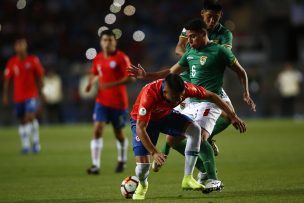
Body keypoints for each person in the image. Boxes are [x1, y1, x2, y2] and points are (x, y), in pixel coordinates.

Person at [129, 19, 255, 192]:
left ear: (204, 34)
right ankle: (201, 167)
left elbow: (237, 73)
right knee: (173, 140)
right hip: (191, 99)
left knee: (200, 137)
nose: (189, 41)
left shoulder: (220, 51)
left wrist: (243, 97)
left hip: (208, 99)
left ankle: (212, 178)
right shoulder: (189, 53)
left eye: (193, 36)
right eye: (188, 37)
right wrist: (147, 75)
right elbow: (170, 72)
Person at [130, 74, 246, 200]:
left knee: (195, 129)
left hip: (165, 116)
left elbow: (212, 96)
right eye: (176, 97)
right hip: (143, 123)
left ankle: (188, 178)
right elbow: (140, 128)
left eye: (182, 95)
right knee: (142, 168)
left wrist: (232, 115)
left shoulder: (186, 88)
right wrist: (154, 152)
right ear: (165, 92)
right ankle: (142, 184)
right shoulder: (149, 95)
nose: (180, 99)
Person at [171, 0, 234, 158]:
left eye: (216, 18)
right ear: (202, 13)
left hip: (210, 80)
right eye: (209, 17)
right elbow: (179, 47)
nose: (212, 21)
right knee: (177, 116)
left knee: (229, 116)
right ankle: (164, 153)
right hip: (190, 76)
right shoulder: (191, 28)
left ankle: (206, 138)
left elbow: (222, 56)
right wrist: (190, 58)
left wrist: (203, 57)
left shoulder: (225, 33)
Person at [85, 30, 135, 174]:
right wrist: (90, 82)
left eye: (110, 40)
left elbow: (131, 78)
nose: (107, 43)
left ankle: (122, 160)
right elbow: (95, 73)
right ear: (101, 42)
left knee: (118, 133)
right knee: (97, 129)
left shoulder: (122, 58)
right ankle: (95, 165)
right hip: (101, 101)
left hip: (118, 103)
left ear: (115, 42)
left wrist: (110, 84)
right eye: (105, 40)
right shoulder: (98, 58)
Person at [3, 38, 44, 154]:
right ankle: (25, 145)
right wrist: (5, 95)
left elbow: (39, 76)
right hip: (18, 97)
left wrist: (42, 91)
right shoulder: (12, 62)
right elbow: (7, 79)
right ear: (15, 48)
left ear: (25, 46)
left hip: (31, 94)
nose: (20, 47)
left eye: (22, 45)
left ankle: (36, 142)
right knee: (22, 121)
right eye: (18, 45)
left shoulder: (33, 60)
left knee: (30, 116)